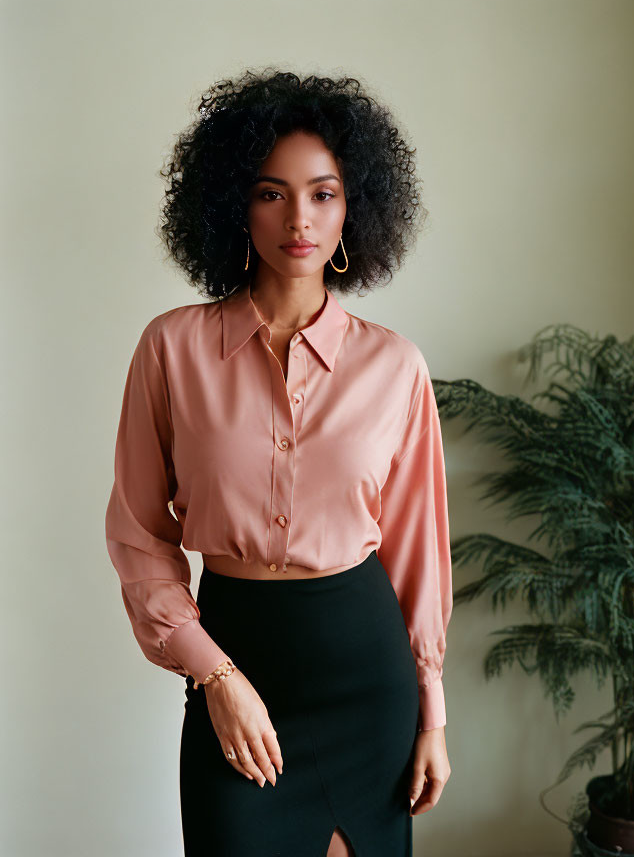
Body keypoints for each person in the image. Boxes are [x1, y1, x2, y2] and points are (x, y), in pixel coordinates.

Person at [105, 67, 453, 857]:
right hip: (237, 653)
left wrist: (431, 711)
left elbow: (417, 552)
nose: (299, 217)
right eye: (271, 192)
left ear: (354, 208)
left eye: (324, 194)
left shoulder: (396, 367)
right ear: (234, 204)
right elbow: (137, 534)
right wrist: (214, 676)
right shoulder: (171, 349)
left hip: (369, 681)